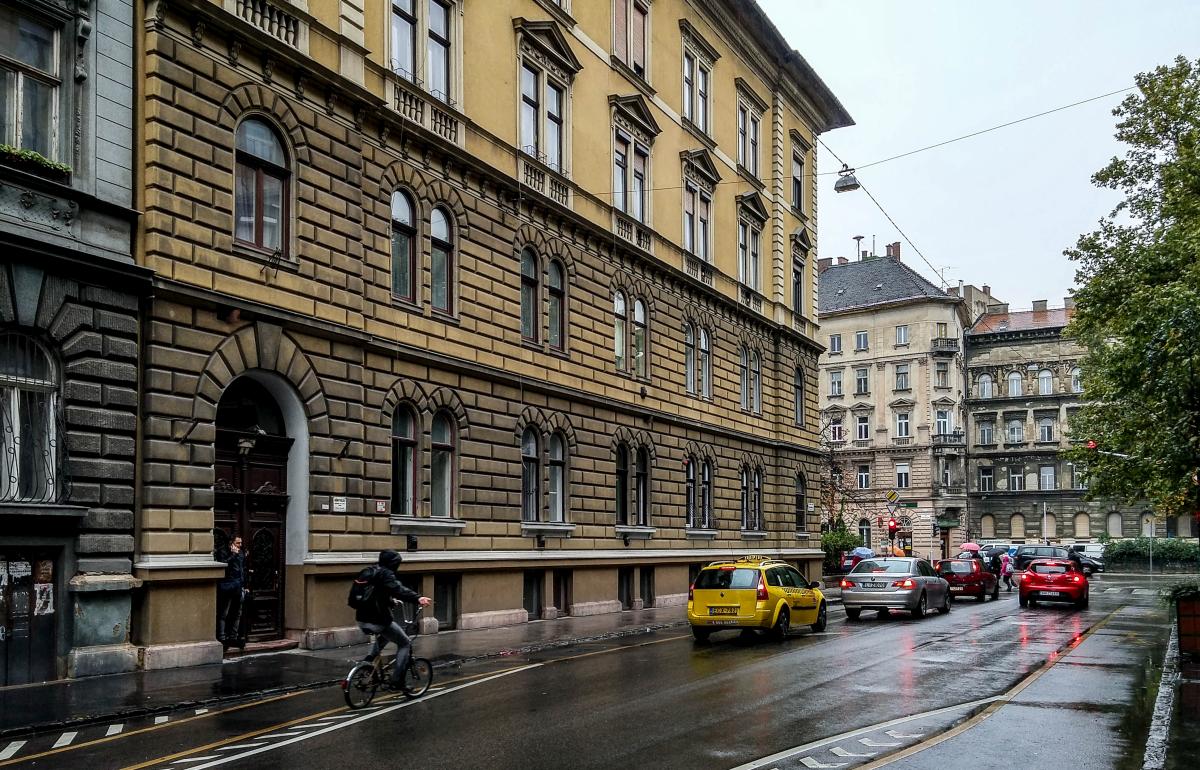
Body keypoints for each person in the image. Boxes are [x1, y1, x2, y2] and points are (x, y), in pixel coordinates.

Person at [356, 549, 432, 689]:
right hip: (378, 620)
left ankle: (367, 663)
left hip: (362, 619)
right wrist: (417, 598)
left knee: (385, 636)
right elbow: (398, 589)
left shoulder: (370, 572)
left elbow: (376, 595)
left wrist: (391, 602)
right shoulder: (386, 574)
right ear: (393, 564)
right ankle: (397, 681)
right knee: (404, 643)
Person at [216, 535, 249, 649]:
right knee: (224, 613)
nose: (240, 545)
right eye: (238, 543)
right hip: (227, 586)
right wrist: (233, 555)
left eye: (240, 543)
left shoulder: (240, 553)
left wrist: (245, 586)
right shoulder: (223, 551)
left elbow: (242, 570)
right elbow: (223, 565)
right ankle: (222, 638)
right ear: (231, 543)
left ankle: (233, 638)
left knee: (237, 614)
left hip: (238, 587)